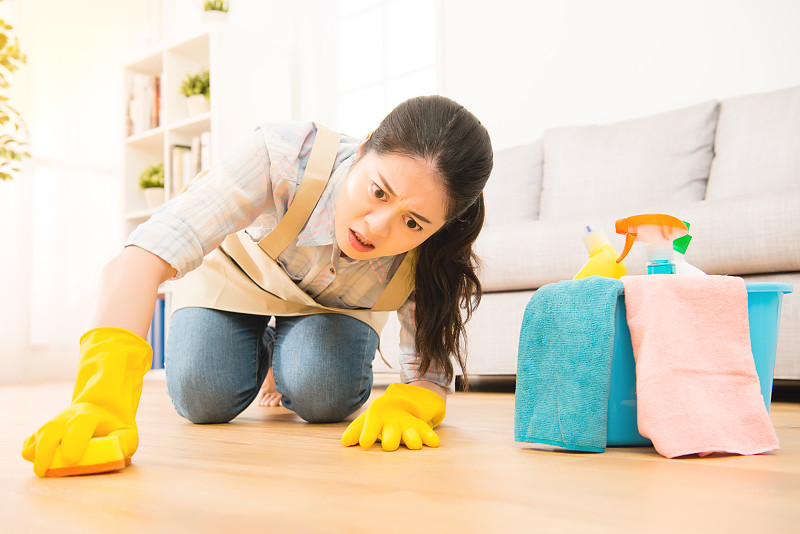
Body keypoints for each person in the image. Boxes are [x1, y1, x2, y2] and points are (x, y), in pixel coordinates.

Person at [22, 95, 493, 477]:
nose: (377, 228)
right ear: (366, 145)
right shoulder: (287, 155)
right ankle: (263, 348)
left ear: (441, 224)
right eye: (377, 191)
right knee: (201, 396)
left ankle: (284, 353)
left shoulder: (436, 252)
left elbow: (427, 372)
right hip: (236, 278)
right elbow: (146, 255)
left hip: (329, 311)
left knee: (323, 394)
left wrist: (413, 403)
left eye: (412, 223)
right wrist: (98, 397)